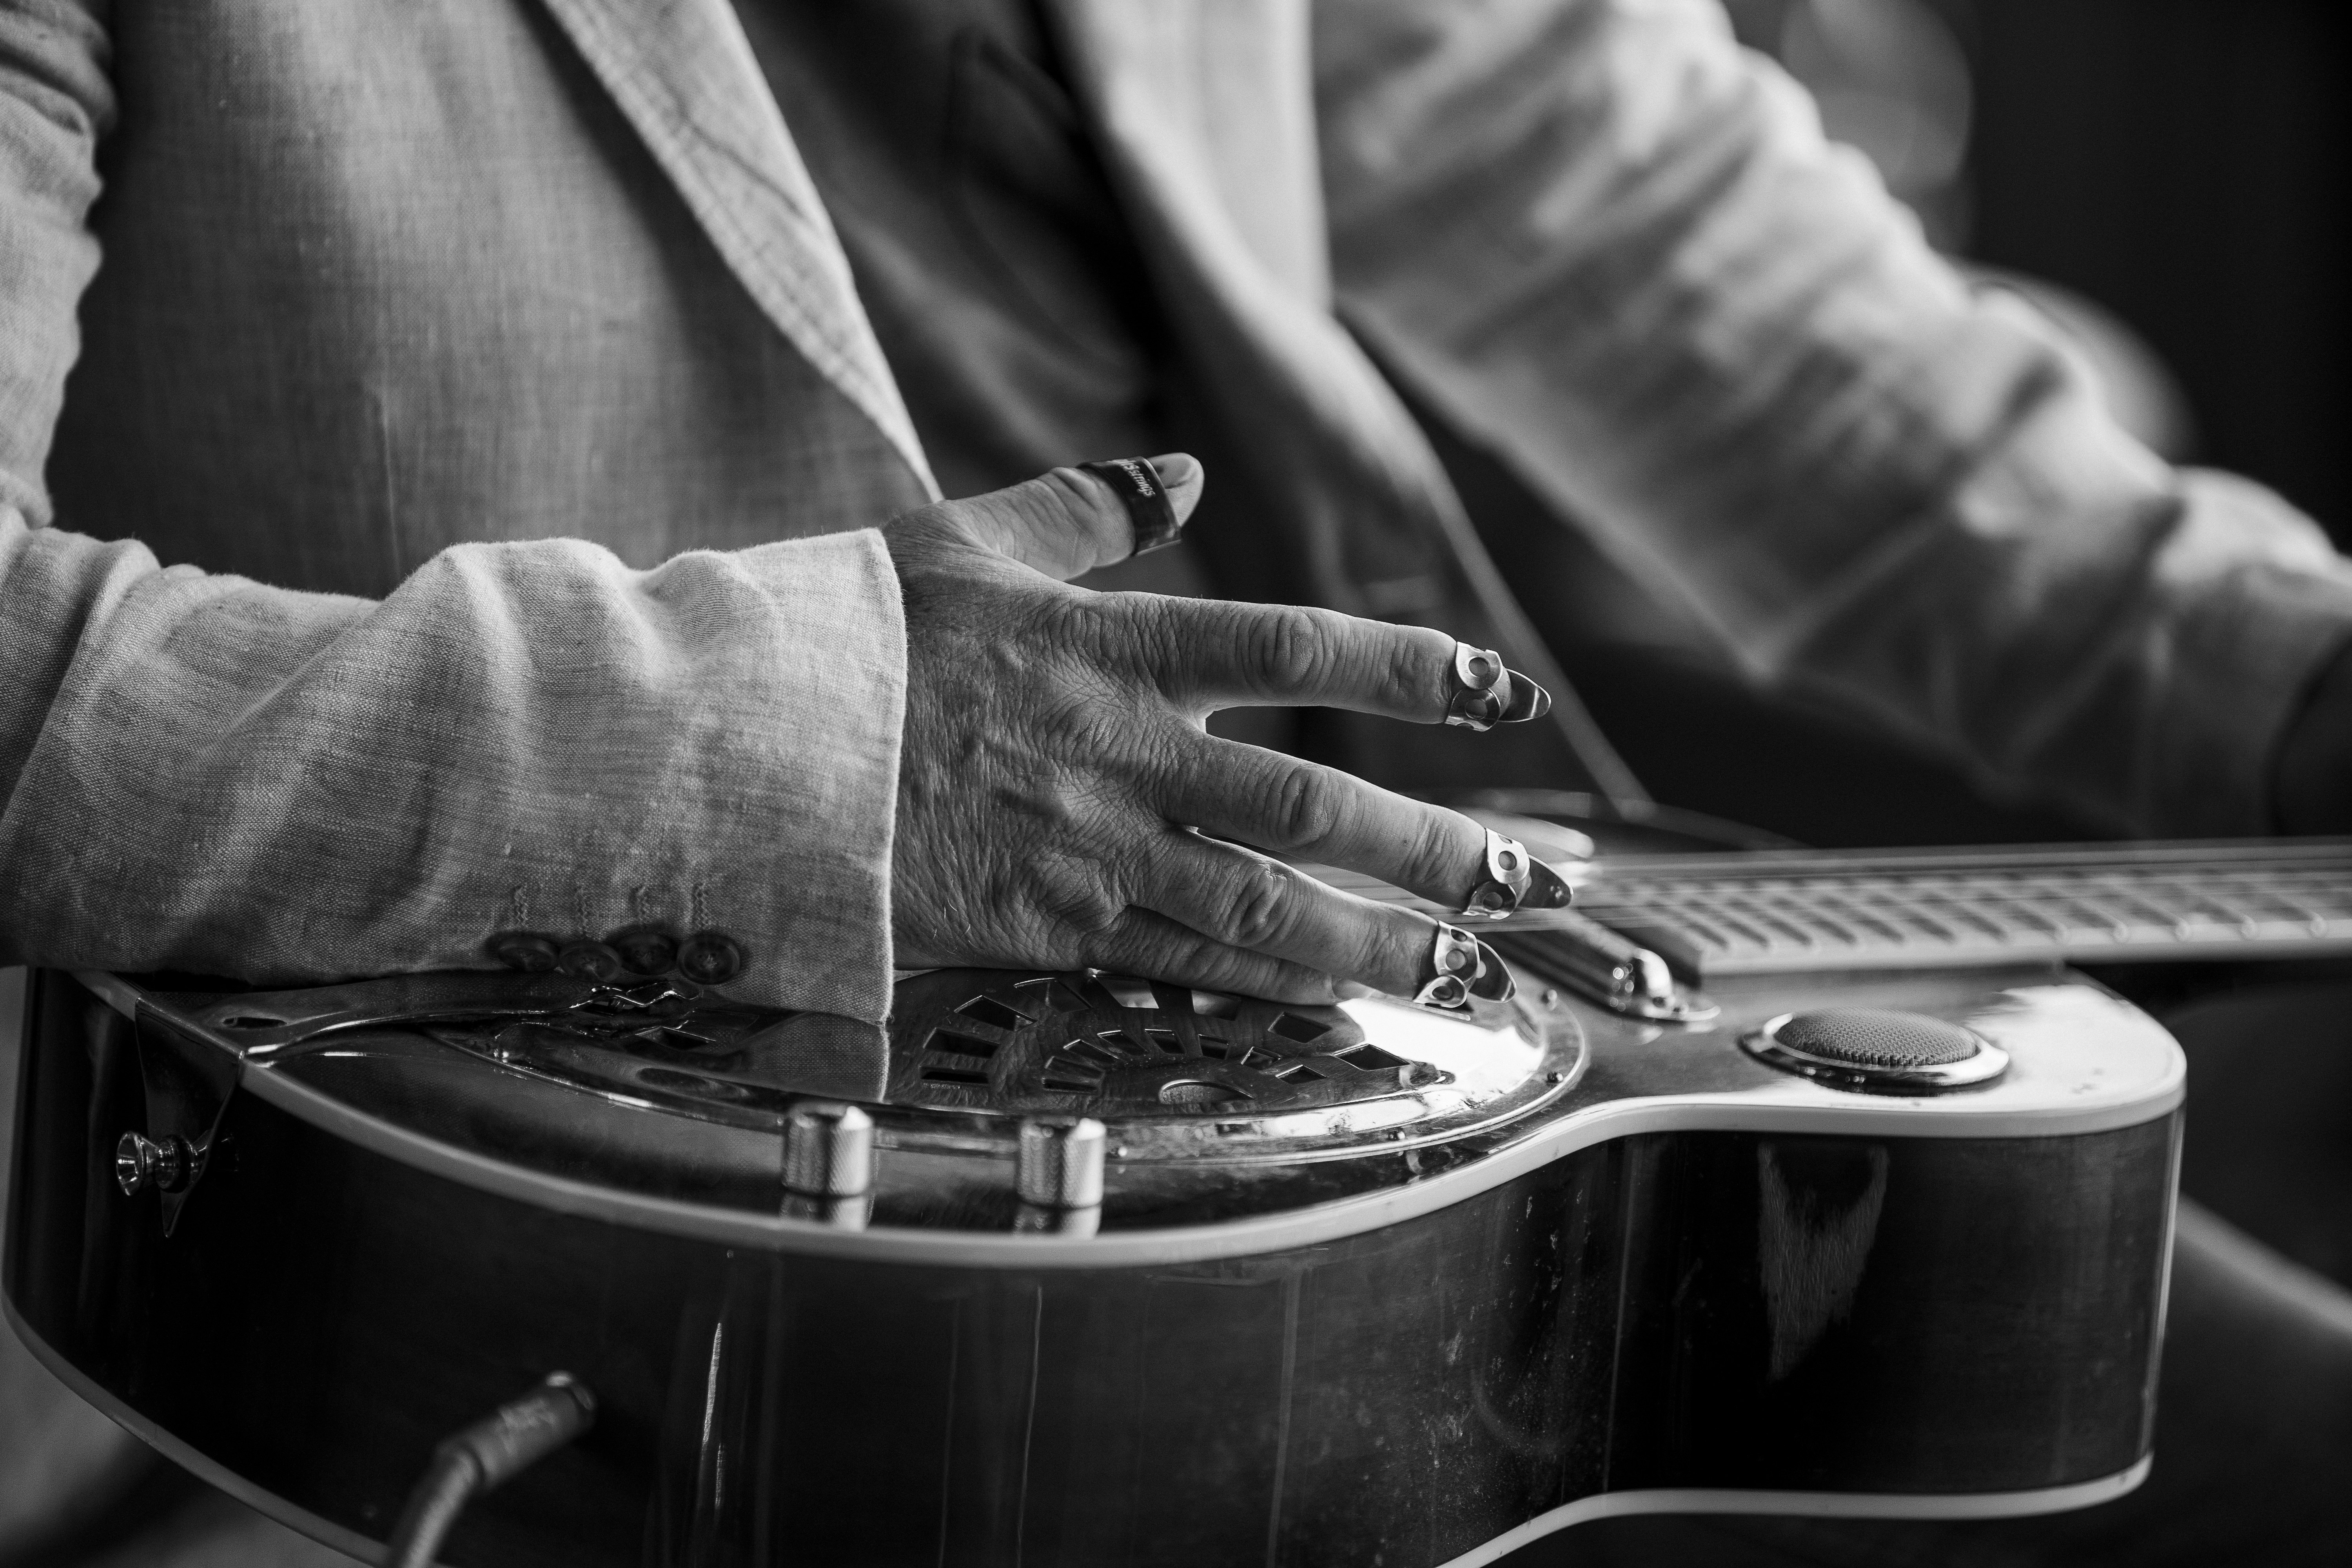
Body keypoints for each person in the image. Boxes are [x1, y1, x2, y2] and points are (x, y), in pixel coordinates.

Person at [2, 0, 2349, 1562]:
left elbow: (1649, 215)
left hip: (1468, 1095)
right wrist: (824, 754)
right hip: (444, 1320)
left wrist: (2279, 683)